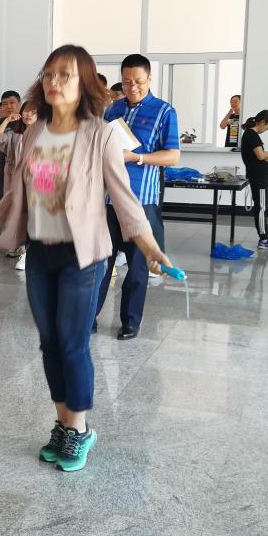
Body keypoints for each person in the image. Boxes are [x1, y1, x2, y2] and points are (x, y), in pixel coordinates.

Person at [0, 45, 169, 472]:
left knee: (73, 344)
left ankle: (80, 429)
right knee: (49, 343)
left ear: (84, 83)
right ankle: (62, 424)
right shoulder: (34, 133)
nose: (53, 82)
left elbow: (125, 199)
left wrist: (149, 247)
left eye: (65, 75)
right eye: (49, 74)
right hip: (40, 253)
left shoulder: (101, 134)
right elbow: (16, 195)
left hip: (82, 256)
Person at [94, 53, 180, 341]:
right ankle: (89, 317)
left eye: (138, 81)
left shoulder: (164, 111)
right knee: (100, 263)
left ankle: (130, 322)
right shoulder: (112, 110)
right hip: (109, 200)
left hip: (142, 201)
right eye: (126, 81)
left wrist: (137, 157)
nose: (132, 87)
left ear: (150, 79)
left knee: (137, 266)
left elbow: (173, 156)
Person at [0, 100, 38, 269]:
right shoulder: (14, 134)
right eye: (26, 111)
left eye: (33, 112)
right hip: (13, 177)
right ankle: (19, 246)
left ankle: (27, 253)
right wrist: (6, 120)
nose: (29, 115)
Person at [240, 109, 268, 250]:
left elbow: (260, 156)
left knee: (262, 205)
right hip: (258, 177)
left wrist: (266, 155)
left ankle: (267, 234)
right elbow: (260, 156)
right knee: (261, 206)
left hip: (258, 175)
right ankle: (264, 238)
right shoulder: (252, 135)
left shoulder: (251, 135)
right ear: (263, 122)